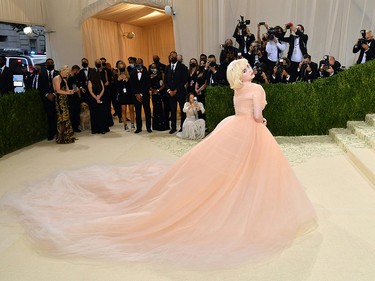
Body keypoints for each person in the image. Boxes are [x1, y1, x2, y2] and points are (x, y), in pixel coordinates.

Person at [0, 58, 316, 268]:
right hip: (250, 130)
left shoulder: (239, 90)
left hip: (233, 127)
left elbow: (241, 110)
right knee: (254, 168)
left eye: (248, 68)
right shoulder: (258, 88)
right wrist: (262, 120)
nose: (249, 70)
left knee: (226, 168)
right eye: (245, 68)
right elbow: (258, 116)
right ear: (241, 74)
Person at [164, 51, 188, 134]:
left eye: (174, 56)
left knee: (182, 110)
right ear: (169, 57)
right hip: (170, 93)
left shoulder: (182, 67)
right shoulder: (167, 68)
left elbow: (184, 80)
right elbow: (165, 81)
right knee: (172, 110)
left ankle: (183, 127)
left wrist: (176, 90)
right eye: (171, 56)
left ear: (176, 57)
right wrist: (169, 90)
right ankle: (173, 127)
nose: (173, 57)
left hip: (180, 92)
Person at [53, 65, 76, 144]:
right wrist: (68, 93)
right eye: (67, 72)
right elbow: (58, 90)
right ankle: (60, 137)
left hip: (65, 101)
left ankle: (67, 136)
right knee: (61, 119)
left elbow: (67, 89)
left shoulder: (64, 80)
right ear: (63, 71)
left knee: (66, 118)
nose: (68, 74)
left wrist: (72, 91)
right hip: (59, 101)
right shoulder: (56, 78)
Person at [38, 58, 59, 140]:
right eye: (48, 63)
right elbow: (40, 87)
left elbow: (60, 86)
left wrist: (53, 94)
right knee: (50, 116)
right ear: (46, 65)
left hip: (56, 98)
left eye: (51, 63)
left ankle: (58, 132)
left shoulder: (57, 74)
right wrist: (47, 94)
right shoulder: (42, 74)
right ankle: (51, 133)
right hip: (46, 99)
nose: (50, 64)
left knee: (57, 115)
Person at [87, 59, 109, 134]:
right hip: (94, 99)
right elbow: (90, 90)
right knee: (95, 114)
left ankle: (103, 128)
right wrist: (97, 97)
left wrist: (99, 96)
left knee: (101, 113)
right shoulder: (90, 81)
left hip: (99, 97)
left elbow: (103, 88)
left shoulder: (100, 80)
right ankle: (96, 129)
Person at [129, 61, 152, 133]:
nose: (139, 65)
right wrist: (136, 94)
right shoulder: (132, 74)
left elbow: (148, 85)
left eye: (140, 63)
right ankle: (139, 128)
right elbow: (131, 85)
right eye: (137, 63)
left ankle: (148, 127)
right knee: (138, 113)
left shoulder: (146, 73)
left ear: (142, 64)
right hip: (136, 97)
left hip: (145, 95)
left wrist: (141, 94)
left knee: (147, 112)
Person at [115, 61, 134, 131]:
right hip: (122, 94)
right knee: (123, 110)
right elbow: (115, 87)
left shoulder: (129, 75)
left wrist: (127, 80)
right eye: (120, 67)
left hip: (129, 94)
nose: (121, 69)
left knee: (131, 109)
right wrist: (118, 80)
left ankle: (132, 124)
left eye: (122, 67)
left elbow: (132, 85)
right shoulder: (116, 76)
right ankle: (125, 125)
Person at [150, 63, 167, 131]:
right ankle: (156, 126)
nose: (153, 69)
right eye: (152, 67)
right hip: (154, 94)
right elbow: (149, 85)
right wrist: (152, 90)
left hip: (161, 93)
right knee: (155, 109)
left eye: (155, 67)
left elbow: (164, 84)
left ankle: (163, 126)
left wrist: (158, 90)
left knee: (161, 108)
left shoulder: (161, 74)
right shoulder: (150, 75)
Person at [67, 65, 82, 132]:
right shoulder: (69, 78)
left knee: (77, 112)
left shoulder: (75, 77)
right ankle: (73, 127)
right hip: (71, 97)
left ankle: (76, 126)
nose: (78, 73)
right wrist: (77, 89)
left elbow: (77, 86)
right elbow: (74, 88)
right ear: (75, 70)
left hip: (76, 97)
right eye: (78, 71)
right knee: (72, 113)